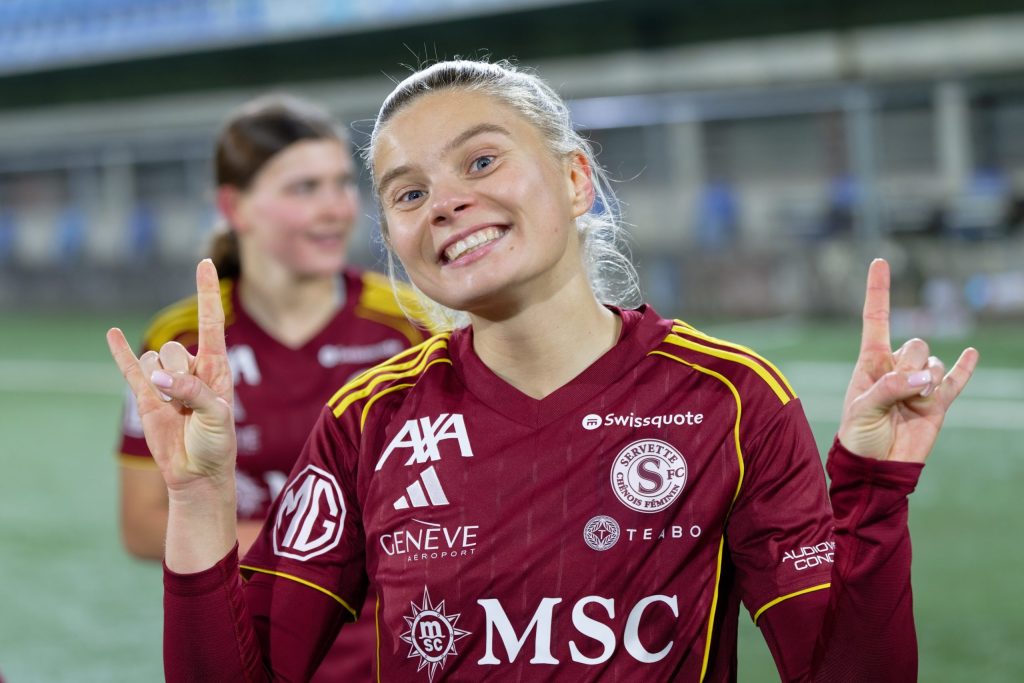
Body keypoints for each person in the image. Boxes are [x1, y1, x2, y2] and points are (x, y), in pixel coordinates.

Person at [107, 60, 979, 681]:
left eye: (481, 160)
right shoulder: (366, 420)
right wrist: (200, 497)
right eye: (408, 192)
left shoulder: (730, 398)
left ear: (574, 179)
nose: (446, 201)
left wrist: (873, 491)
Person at [114, 94, 424, 681]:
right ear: (235, 207)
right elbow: (141, 524)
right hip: (243, 643)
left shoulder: (412, 325)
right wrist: (321, 545)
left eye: (341, 183)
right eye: (304, 188)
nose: (336, 208)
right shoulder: (179, 339)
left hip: (387, 654)